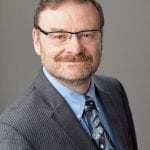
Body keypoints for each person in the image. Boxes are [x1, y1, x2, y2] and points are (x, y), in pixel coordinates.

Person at [0, 0, 138, 149]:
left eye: (86, 34)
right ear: (36, 40)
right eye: (59, 36)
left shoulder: (114, 90)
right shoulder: (16, 130)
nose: (76, 49)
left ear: (101, 38)